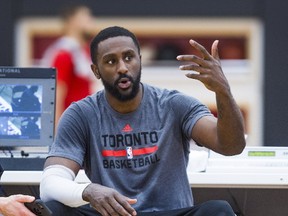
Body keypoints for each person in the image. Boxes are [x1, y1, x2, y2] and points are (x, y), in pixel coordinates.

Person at [40, 26, 246, 215]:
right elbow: (50, 184)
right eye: (111, 61)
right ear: (96, 70)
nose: (122, 67)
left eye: (129, 57)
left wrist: (223, 92)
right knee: (50, 209)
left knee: (219, 210)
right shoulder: (80, 114)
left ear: (139, 60)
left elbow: (231, 146)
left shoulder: (174, 104)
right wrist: (88, 190)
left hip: (170, 212)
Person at [40, 5, 98, 126]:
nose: (91, 21)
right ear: (72, 21)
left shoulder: (84, 51)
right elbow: (56, 96)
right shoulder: (63, 53)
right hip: (71, 127)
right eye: (86, 17)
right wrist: (56, 135)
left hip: (85, 124)